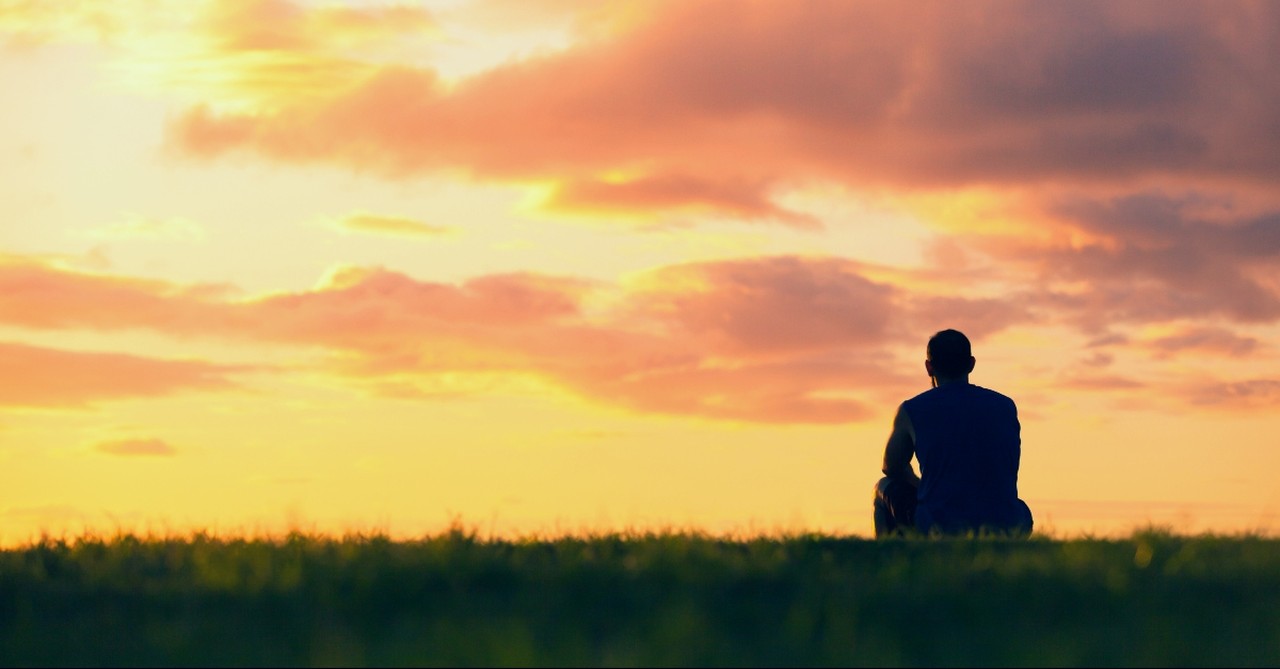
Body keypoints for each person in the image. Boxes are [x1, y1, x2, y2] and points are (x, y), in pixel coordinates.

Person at [873, 329, 1033, 537]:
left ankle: (890, 561)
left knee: (883, 486)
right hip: (1009, 523)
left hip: (939, 525)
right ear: (971, 364)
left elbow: (891, 468)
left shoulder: (912, 410)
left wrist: (919, 484)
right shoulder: (1005, 406)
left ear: (929, 367)